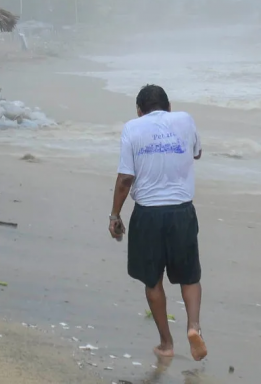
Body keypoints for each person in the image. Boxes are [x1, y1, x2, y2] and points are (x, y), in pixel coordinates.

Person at [108, 84, 206, 361]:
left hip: (148, 215)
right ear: (169, 106)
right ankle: (194, 327)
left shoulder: (132, 128)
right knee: (190, 277)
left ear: (139, 111)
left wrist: (115, 215)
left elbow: (125, 179)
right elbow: (197, 153)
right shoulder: (185, 120)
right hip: (182, 212)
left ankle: (166, 343)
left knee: (153, 281)